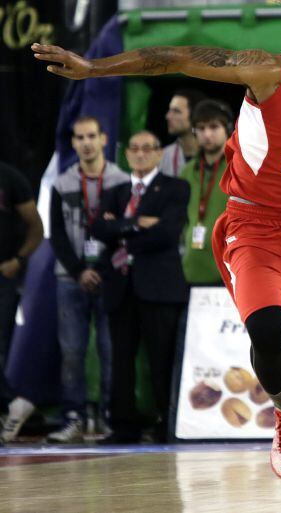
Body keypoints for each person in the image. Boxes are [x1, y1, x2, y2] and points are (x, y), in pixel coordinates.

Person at [33, 9, 281, 499]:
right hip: (256, 225)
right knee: (266, 329)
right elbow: (176, 58)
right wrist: (94, 68)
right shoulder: (273, 72)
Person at [91, 131, 190, 444]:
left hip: (159, 288)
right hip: (120, 287)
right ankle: (123, 425)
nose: (140, 154)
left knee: (161, 358)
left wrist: (120, 226)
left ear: (160, 154)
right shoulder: (117, 190)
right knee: (121, 359)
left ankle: (166, 422)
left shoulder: (175, 187)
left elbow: (167, 233)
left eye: (148, 148)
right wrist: (136, 223)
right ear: (126, 154)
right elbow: (98, 229)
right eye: (134, 148)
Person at [47, 116, 128, 443]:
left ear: (104, 138)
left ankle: (109, 416)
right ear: (73, 143)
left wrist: (101, 269)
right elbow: (56, 234)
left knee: (111, 350)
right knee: (72, 351)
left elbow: (123, 231)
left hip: (109, 278)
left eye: (92, 135)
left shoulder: (121, 181)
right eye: (79, 137)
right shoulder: (62, 183)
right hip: (70, 278)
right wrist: (81, 270)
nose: (86, 142)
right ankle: (73, 417)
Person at [0, 161, 42, 442]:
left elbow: (36, 226)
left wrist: (20, 260)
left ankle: (11, 404)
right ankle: (11, 403)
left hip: (3, 274)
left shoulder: (10, 177)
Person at [179, 99, 232, 285]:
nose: (207, 134)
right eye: (200, 128)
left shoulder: (240, 169)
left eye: (214, 126)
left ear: (227, 129)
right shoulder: (187, 171)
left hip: (230, 268)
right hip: (191, 268)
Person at [159, 89, 207, 178]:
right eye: (170, 110)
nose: (168, 116)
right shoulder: (163, 156)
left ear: (195, 115)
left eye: (176, 111)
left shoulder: (216, 155)